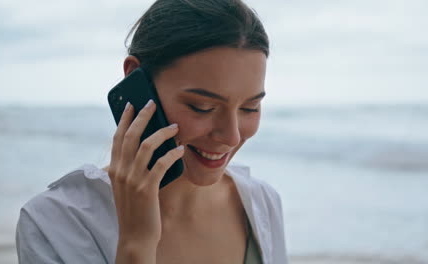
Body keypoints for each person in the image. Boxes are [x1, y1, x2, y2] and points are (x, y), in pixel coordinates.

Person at [15, 0, 288, 263]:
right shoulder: (55, 223)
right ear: (136, 79)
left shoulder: (261, 204)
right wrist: (136, 244)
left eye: (250, 108)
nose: (232, 137)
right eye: (202, 106)